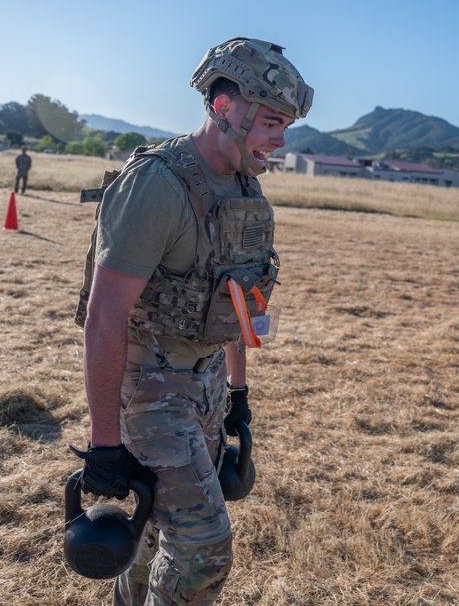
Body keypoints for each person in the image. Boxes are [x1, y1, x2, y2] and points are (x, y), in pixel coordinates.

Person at [72, 38, 313, 605]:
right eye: (273, 122)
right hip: (149, 392)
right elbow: (106, 317)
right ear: (225, 107)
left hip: (204, 385)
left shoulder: (245, 189)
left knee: (158, 531)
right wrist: (104, 446)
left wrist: (237, 393)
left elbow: (236, 299)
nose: (281, 140)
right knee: (205, 547)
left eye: (287, 126)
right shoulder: (158, 184)